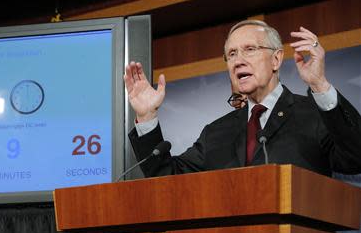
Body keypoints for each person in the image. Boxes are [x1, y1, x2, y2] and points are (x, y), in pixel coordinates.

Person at [124, 20, 361, 178]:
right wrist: (146, 117)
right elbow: (167, 179)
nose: (238, 60)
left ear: (276, 60)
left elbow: (355, 158)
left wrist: (319, 84)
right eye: (232, 54)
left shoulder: (313, 115)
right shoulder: (216, 133)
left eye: (250, 49)